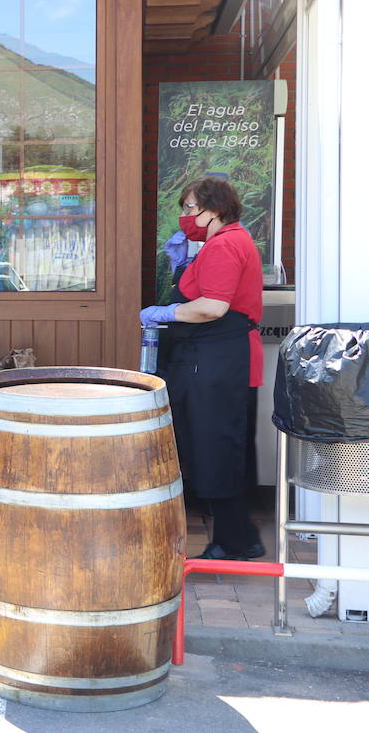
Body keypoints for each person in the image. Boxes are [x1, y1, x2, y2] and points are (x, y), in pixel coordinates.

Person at [140, 176, 264, 560]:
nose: (186, 215)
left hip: (219, 360)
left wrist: (164, 312)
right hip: (215, 358)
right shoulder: (221, 243)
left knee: (217, 446)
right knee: (217, 445)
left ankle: (235, 541)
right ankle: (238, 537)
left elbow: (212, 307)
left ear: (216, 208)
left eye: (191, 207)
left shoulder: (226, 244)